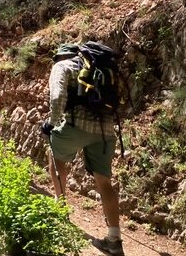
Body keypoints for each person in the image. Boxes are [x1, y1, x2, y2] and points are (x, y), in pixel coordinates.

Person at [42, 43, 125, 256]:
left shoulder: (62, 66)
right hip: (106, 131)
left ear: (60, 55)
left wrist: (51, 123)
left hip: (76, 125)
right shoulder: (101, 69)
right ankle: (114, 240)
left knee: (55, 156)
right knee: (104, 182)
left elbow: (57, 97)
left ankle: (60, 211)